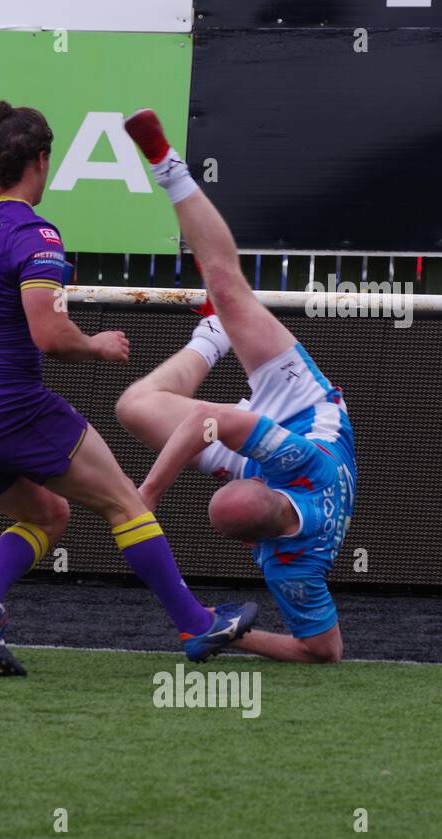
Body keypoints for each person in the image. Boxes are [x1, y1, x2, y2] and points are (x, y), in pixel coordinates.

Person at [0, 100, 258, 677]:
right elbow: (51, 336)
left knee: (50, 515)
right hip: (11, 409)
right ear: (40, 158)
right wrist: (98, 345)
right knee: (124, 502)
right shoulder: (34, 234)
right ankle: (196, 624)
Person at [116, 109, 358, 663]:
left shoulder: (286, 564)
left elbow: (322, 651)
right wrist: (149, 494)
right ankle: (166, 165)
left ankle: (208, 337)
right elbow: (214, 423)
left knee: (132, 407)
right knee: (225, 285)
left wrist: (227, 632)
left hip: (253, 454)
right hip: (308, 412)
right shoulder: (303, 474)